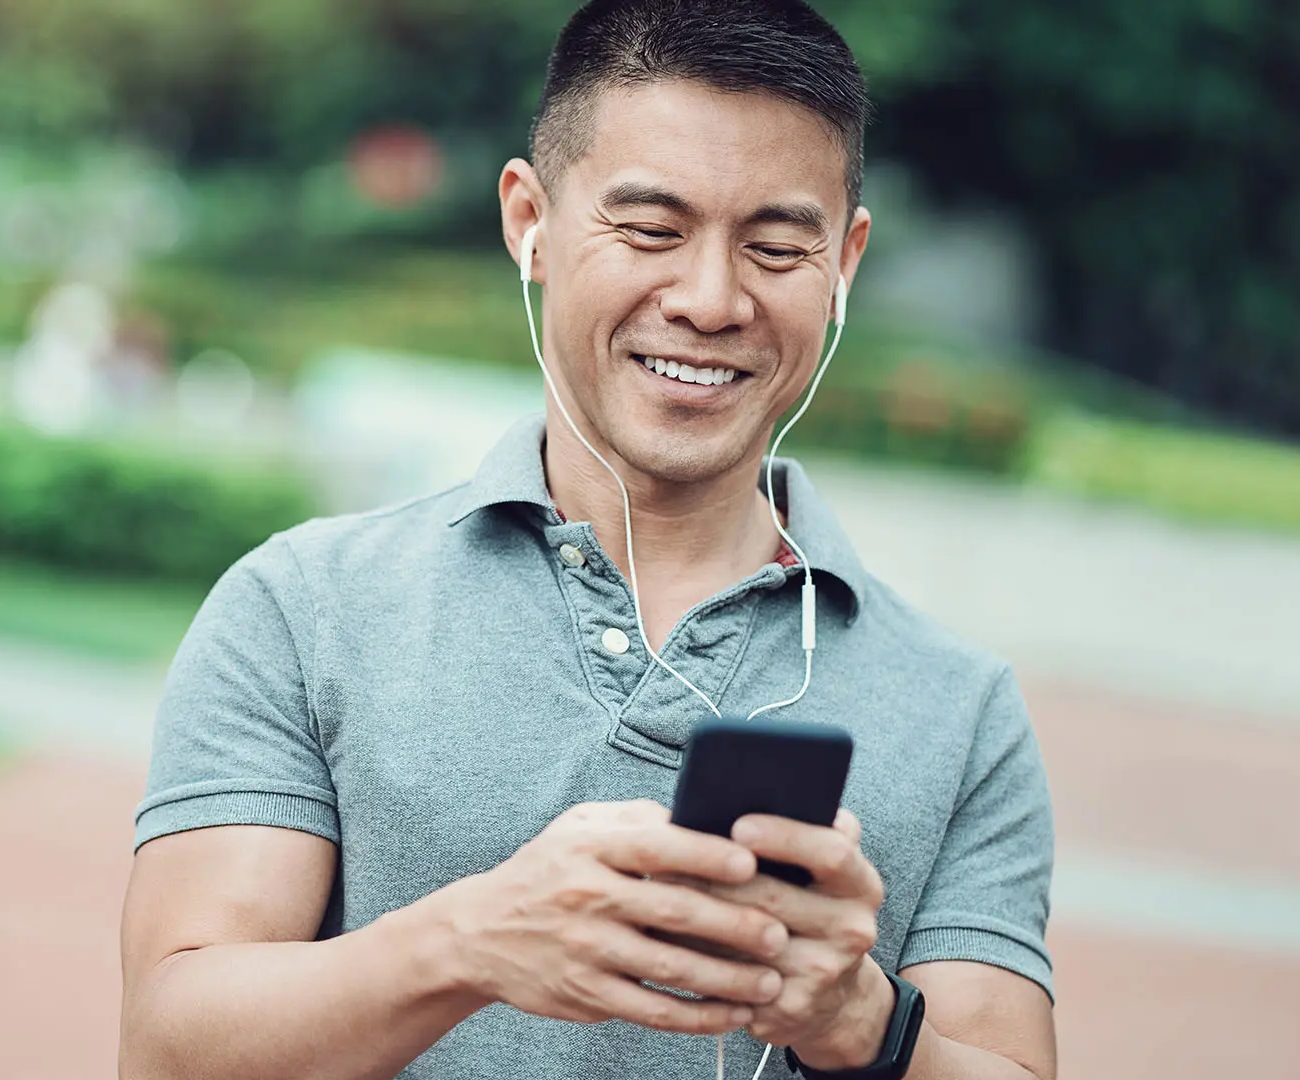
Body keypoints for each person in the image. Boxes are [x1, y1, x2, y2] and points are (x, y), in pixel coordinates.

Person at [120, 3, 1057, 1079]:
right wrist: (465, 944)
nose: (710, 301)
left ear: (844, 263)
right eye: (651, 230)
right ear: (529, 221)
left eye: (776, 247)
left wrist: (859, 1021)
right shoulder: (304, 606)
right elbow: (165, 1052)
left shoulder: (963, 712)